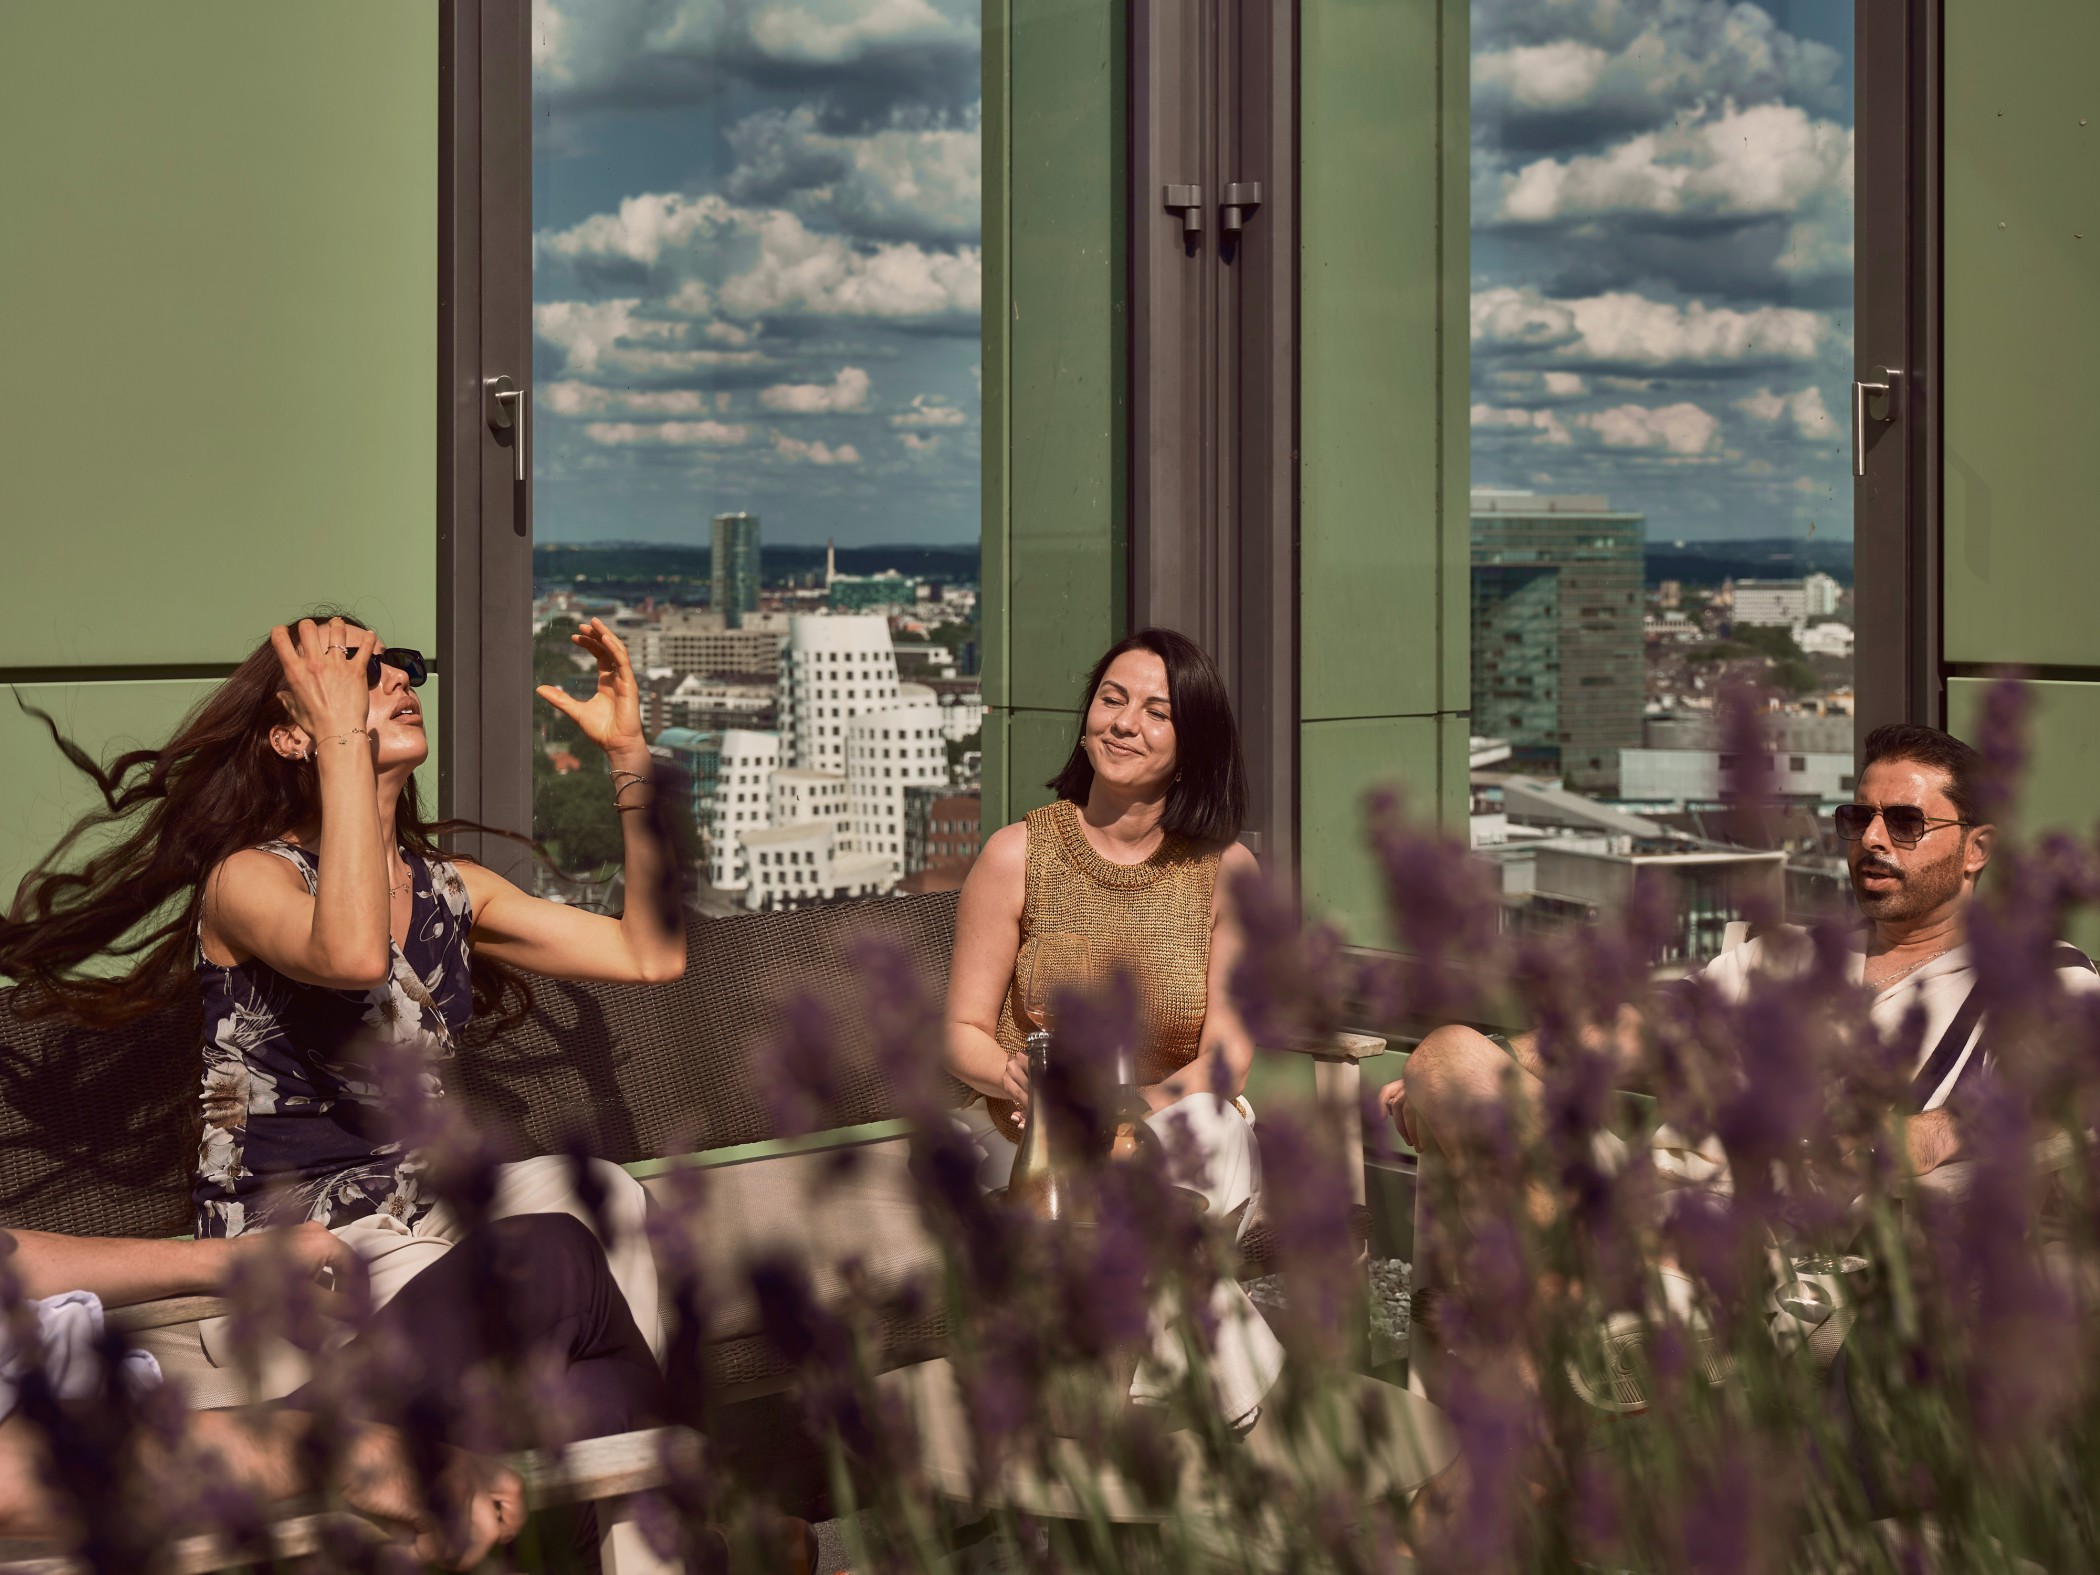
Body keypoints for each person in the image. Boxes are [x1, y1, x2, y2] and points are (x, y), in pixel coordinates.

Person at [1, 612, 684, 1364]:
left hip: (425, 1216)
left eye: (397, 664)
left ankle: (631, 1456)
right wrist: (339, 738)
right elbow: (353, 952)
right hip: (296, 1255)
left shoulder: (449, 891)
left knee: (604, 1194)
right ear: (293, 734)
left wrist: (628, 753)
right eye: (359, 670)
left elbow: (648, 953)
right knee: (465, 1281)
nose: (397, 677)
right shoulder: (249, 880)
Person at [1387, 722, 2100, 1193]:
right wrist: (1500, 1060)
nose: (1873, 839)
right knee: (1449, 1055)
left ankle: (1594, 1341)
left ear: (1978, 848)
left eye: (1906, 822)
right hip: (1653, 1206)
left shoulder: (2038, 973)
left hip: (1797, 1264)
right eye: (1859, 818)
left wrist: (1931, 1131)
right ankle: (1605, 1328)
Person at [942, 627, 1282, 1423]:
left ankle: (1106, 1437)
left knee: (1202, 1134)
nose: (1124, 722)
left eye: (1156, 710)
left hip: (1177, 1117)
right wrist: (1013, 1075)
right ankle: (1233, 1395)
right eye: (1112, 698)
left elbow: (1228, 1053)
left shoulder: (1226, 871)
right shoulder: (1016, 853)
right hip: (1033, 1124)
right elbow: (957, 1029)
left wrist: (1135, 1109)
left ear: (1191, 740)